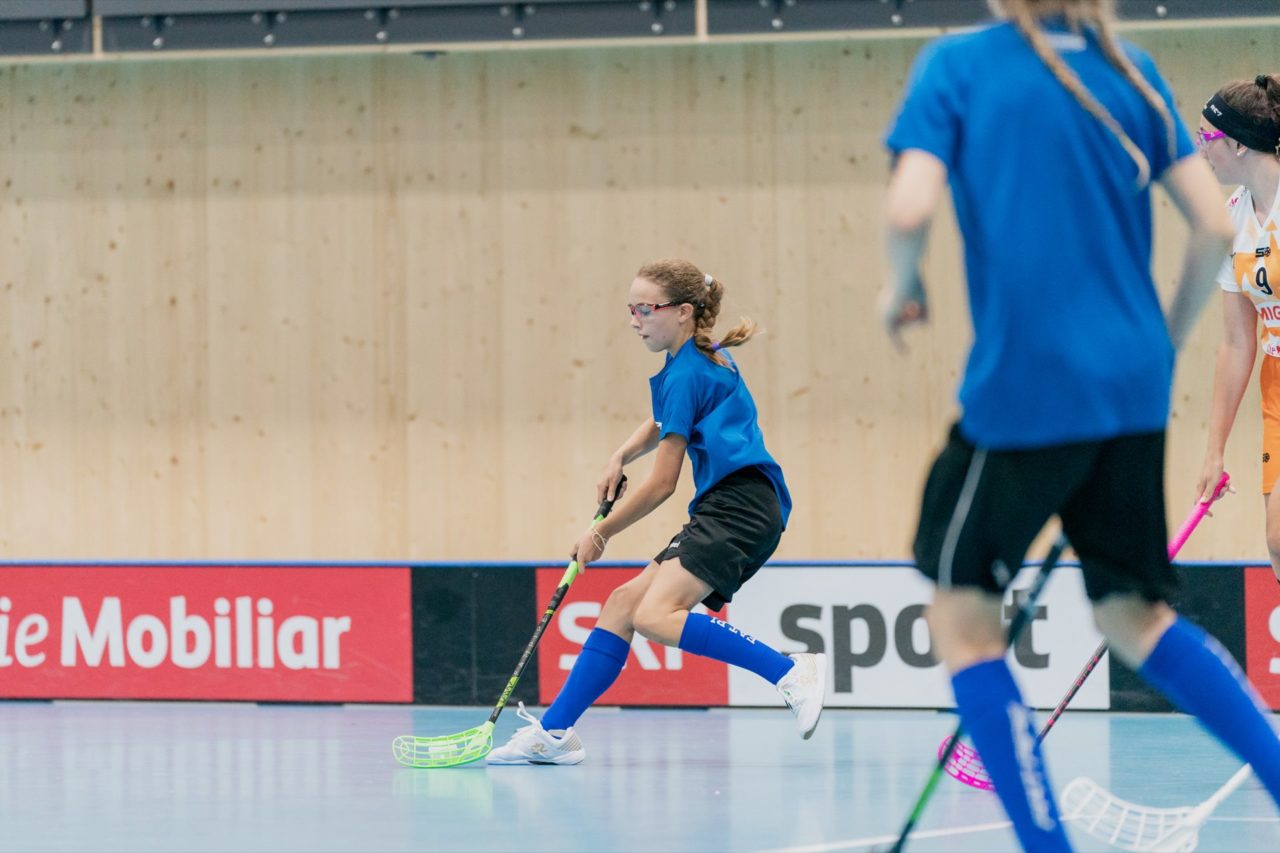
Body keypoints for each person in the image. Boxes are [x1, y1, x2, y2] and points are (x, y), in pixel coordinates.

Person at [881, 1, 1280, 849]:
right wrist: (1161, 341)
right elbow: (1212, 225)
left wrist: (901, 285)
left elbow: (909, 208)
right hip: (1132, 385)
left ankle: (1045, 842)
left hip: (1026, 384)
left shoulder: (958, 66)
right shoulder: (1130, 68)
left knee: (961, 612)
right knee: (1134, 614)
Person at [487, 258, 826, 765]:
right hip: (730, 503)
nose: (634, 321)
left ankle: (789, 671)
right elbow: (664, 419)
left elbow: (663, 484)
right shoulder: (697, 357)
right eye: (631, 309)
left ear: (683, 311)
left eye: (645, 309)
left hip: (741, 507)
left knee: (655, 616)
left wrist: (600, 532)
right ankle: (554, 734)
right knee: (623, 604)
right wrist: (621, 455)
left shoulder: (688, 370)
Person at [1194, 74, 1280, 580]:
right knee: (1277, 542)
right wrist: (1215, 450)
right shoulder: (1233, 219)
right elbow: (1237, 342)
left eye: (1207, 137)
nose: (1201, 149)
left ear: (1240, 144)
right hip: (1276, 387)